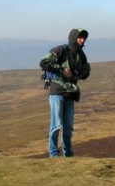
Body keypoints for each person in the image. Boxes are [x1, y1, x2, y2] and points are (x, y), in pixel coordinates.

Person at [39, 28, 91, 157]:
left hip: (70, 94)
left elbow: (86, 71)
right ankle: (54, 154)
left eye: (84, 38)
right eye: (80, 37)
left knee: (68, 127)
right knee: (56, 124)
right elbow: (43, 63)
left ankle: (68, 154)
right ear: (73, 38)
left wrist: (77, 74)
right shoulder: (61, 50)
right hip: (57, 91)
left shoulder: (81, 55)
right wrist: (62, 70)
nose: (82, 40)